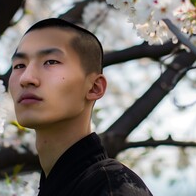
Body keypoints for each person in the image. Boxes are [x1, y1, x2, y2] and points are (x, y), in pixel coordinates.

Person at [8, 18, 153, 196]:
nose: (26, 78)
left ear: (94, 87)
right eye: (19, 65)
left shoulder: (112, 187)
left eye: (51, 62)